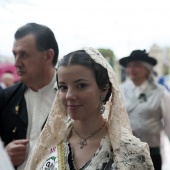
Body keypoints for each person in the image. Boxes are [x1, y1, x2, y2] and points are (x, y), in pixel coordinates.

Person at [25, 47, 154, 170]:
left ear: (103, 89)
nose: (69, 95)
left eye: (81, 85)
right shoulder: (50, 143)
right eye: (63, 87)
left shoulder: (131, 151)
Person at [0, 22, 59, 169]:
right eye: (15, 55)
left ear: (48, 56)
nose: (17, 63)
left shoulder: (72, 98)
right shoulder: (6, 97)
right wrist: (4, 156)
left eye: (24, 55)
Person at [119, 49, 170, 170]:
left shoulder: (160, 93)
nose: (131, 69)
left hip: (151, 151)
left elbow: (169, 123)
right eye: (129, 66)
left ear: (147, 69)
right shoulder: (120, 91)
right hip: (125, 151)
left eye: (136, 66)